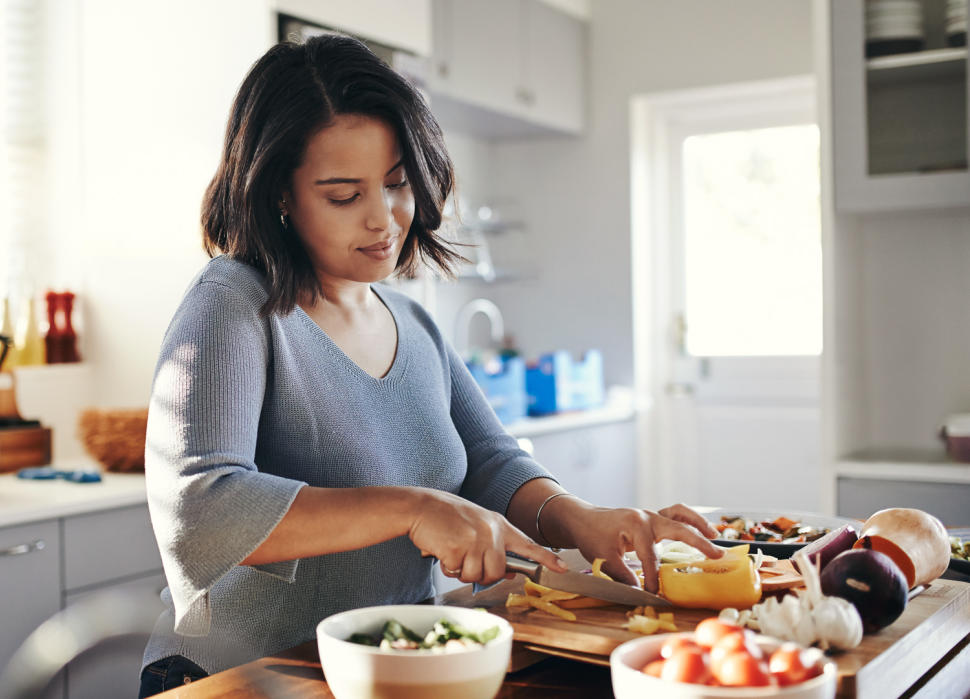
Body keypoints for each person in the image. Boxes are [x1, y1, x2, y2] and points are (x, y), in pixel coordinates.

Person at [137, 34, 721, 696]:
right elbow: (198, 506)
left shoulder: (410, 322)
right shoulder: (231, 302)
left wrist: (579, 519)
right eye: (342, 194)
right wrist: (411, 507)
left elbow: (492, 463)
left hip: (383, 670)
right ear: (279, 194)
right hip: (242, 677)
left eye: (397, 183)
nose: (385, 219)